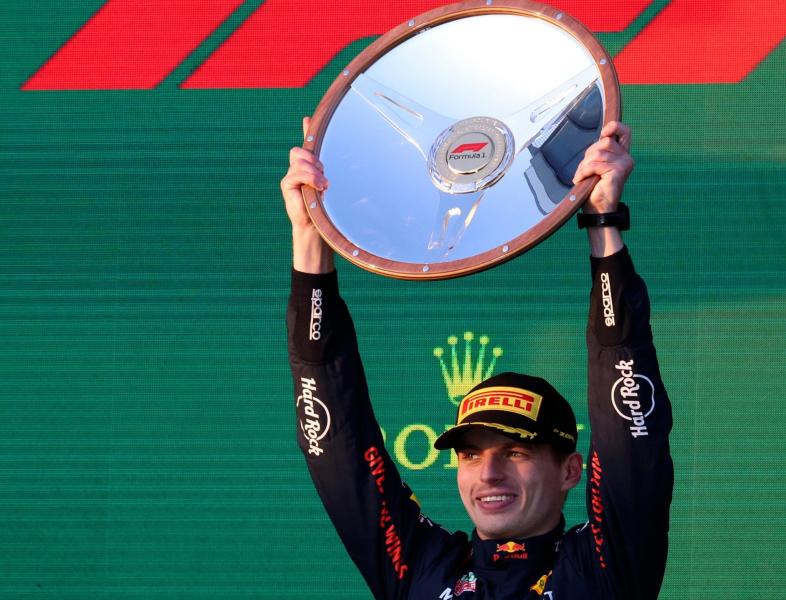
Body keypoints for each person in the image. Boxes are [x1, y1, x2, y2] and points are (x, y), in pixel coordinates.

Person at [281, 118, 674, 599]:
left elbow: (630, 434)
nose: (489, 473)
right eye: (471, 454)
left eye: (516, 451)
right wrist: (310, 233)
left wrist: (602, 222)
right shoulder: (422, 568)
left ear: (570, 471)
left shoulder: (603, 565)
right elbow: (337, 445)